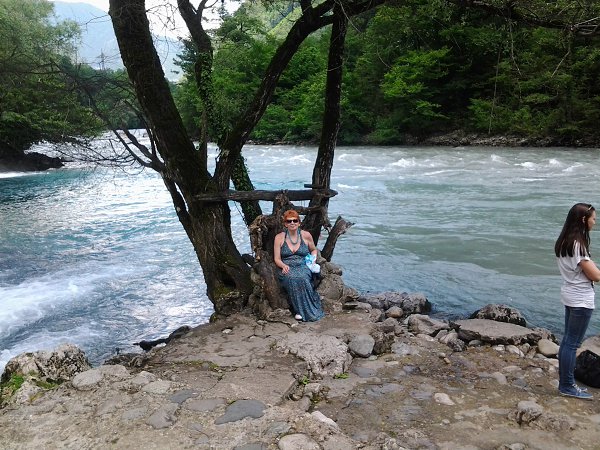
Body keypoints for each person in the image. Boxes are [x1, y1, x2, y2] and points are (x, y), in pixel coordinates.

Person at [555, 203, 600, 400]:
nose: (595, 222)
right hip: (581, 298)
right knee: (572, 344)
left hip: (570, 294)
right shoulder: (578, 245)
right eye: (593, 218)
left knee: (567, 341)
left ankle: (566, 384)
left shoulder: (565, 241)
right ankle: (567, 385)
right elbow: (595, 276)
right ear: (583, 219)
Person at [273, 209, 325, 322]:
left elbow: (313, 249)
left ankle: (308, 309)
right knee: (292, 278)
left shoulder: (306, 235)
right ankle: (299, 310)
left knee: (302, 278)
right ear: (285, 224)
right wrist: (283, 266)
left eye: (295, 220)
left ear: (299, 222)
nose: (292, 223)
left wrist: (313, 261)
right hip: (286, 266)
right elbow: (277, 259)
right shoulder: (279, 237)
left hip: (303, 264)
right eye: (289, 221)